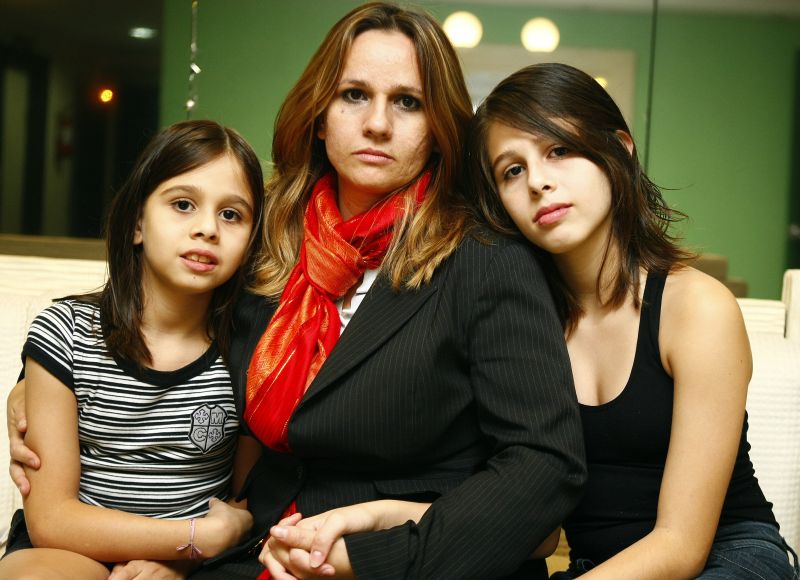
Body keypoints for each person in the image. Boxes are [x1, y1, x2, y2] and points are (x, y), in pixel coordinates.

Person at [7, 4, 585, 579]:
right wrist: (36, 386)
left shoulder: (487, 260)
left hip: (406, 558)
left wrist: (370, 559)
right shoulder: (266, 241)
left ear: (439, 128)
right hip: (253, 548)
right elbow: (162, 327)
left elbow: (543, 464)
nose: (377, 124)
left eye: (408, 102)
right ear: (320, 115)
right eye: (354, 94)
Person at [467, 61, 799, 579]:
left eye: (559, 150)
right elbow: (534, 531)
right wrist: (383, 523)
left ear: (619, 149)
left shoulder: (697, 307)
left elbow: (682, 546)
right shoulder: (519, 325)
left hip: (729, 560)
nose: (538, 182)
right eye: (512, 170)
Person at [0, 120, 265, 579]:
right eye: (183, 204)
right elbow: (52, 519)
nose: (207, 228)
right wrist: (193, 538)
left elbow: (246, 502)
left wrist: (182, 560)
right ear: (138, 223)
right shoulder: (66, 333)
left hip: (196, 562)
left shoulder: (250, 349)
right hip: (74, 546)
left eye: (230, 214)